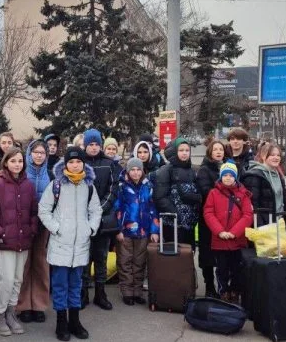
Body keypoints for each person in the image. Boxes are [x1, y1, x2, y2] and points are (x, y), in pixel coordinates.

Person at [39, 146, 102, 341]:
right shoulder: (56, 185)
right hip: (60, 245)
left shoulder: (89, 186)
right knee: (60, 285)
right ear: (66, 164)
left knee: (76, 284)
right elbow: (44, 210)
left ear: (83, 164)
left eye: (78, 162)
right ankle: (61, 322)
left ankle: (75, 321)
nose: (75, 165)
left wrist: (90, 229)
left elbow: (96, 210)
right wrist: (57, 228)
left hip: (80, 245)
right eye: (71, 162)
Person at [0, 148, 39, 336]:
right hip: (5, 241)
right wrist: (1, 232)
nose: (17, 164)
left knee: (17, 280)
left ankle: (11, 312)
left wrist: (32, 230)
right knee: (5, 280)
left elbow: (33, 212)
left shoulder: (28, 186)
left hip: (23, 241)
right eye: (13, 161)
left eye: (20, 161)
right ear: (6, 162)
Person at [202, 162, 254, 303]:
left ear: (236, 178)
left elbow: (248, 215)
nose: (228, 178)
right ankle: (223, 292)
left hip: (237, 240)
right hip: (220, 240)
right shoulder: (213, 193)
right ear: (221, 177)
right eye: (225, 175)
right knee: (221, 269)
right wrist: (219, 231)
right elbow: (208, 213)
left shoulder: (243, 194)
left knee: (237, 269)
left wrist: (234, 232)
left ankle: (235, 292)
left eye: (231, 175)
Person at [81, 128, 120, 310]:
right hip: (83, 220)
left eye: (97, 144)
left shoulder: (109, 163)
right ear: (85, 145)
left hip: (103, 221)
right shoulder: (79, 162)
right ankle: (83, 294)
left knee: (101, 258)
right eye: (91, 144)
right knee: (84, 259)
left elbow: (113, 189)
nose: (94, 147)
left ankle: (100, 293)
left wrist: (99, 210)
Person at [113, 158, 159, 305]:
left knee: (140, 262)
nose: (135, 172)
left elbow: (152, 210)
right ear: (128, 171)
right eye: (132, 169)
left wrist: (154, 230)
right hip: (125, 231)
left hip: (143, 231)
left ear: (142, 171)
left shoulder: (148, 186)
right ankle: (127, 291)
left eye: (138, 169)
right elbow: (117, 209)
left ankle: (137, 291)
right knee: (125, 261)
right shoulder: (121, 187)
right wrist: (118, 229)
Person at [16, 140, 52, 323]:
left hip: (43, 226)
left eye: (42, 153)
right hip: (23, 226)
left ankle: (38, 305)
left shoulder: (51, 176)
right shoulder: (22, 174)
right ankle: (23, 305)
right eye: (35, 152)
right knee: (24, 265)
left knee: (40, 264)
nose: (39, 155)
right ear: (29, 154)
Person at [153, 138, 201, 247]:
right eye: (181, 150)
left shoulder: (192, 170)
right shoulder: (166, 170)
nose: (184, 153)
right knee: (173, 256)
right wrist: (176, 215)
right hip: (172, 223)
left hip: (190, 223)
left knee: (188, 253)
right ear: (175, 151)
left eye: (187, 150)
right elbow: (159, 197)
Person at [195, 140, 227, 298]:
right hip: (208, 218)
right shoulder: (204, 170)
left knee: (223, 254)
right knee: (207, 253)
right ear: (210, 152)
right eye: (215, 149)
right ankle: (209, 285)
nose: (219, 152)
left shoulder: (228, 168)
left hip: (226, 219)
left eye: (221, 149)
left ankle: (223, 286)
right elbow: (206, 192)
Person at [241, 142, 286, 227]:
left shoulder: (278, 175)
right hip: (264, 225)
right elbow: (253, 204)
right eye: (272, 155)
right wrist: (260, 226)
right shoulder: (254, 176)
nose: (276, 157)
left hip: (279, 222)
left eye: (278, 155)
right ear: (263, 156)